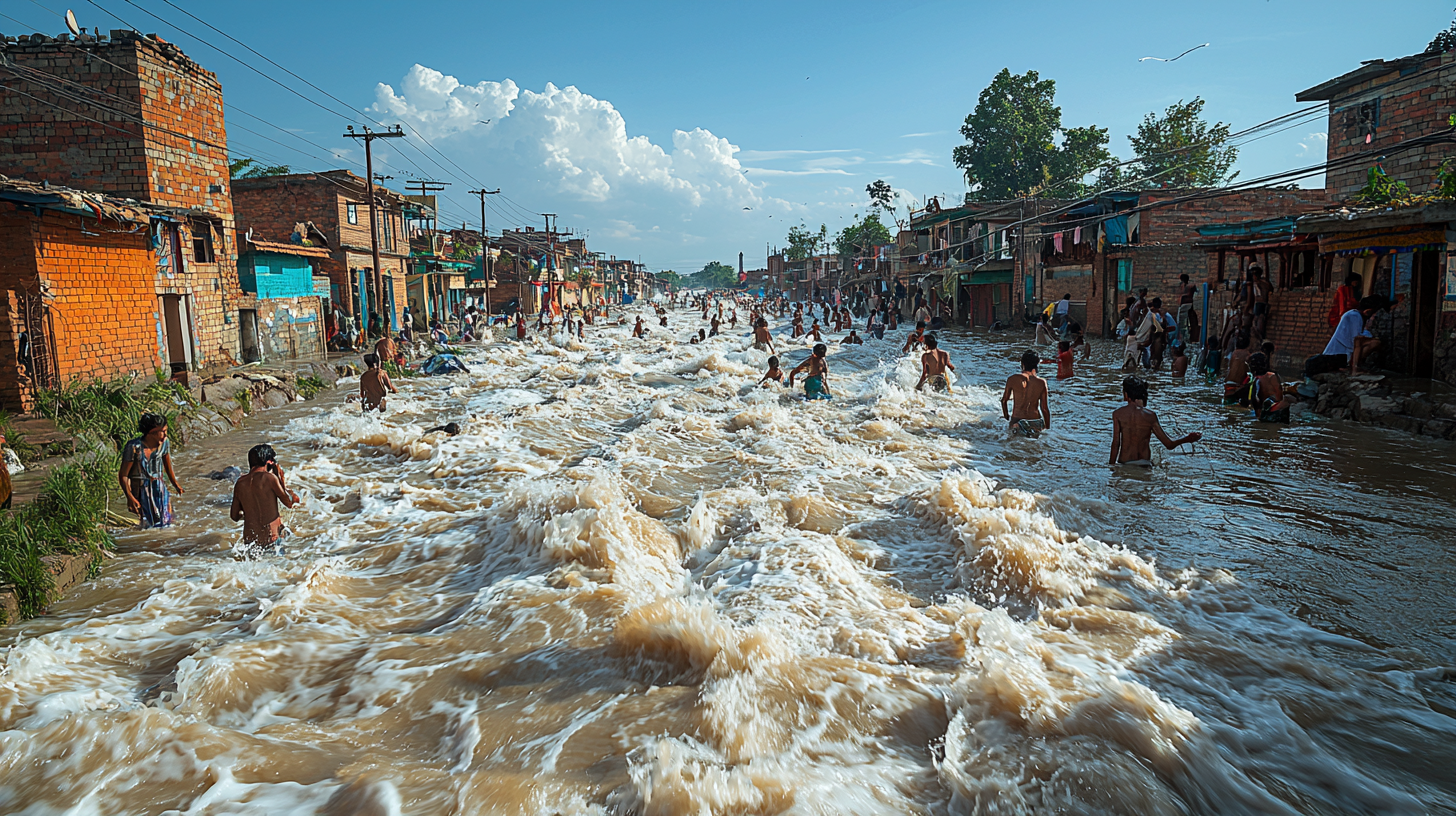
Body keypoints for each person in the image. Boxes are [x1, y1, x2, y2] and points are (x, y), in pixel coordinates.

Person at [1109, 377, 1202, 467]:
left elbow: (1116, 443)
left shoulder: (1118, 414)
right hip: (1144, 463)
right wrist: (1187, 439)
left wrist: (1111, 466)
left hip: (1125, 463)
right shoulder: (1150, 416)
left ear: (1126, 395)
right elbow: (1168, 444)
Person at [119, 412, 183, 528]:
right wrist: (129, 497)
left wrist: (175, 484)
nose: (165, 434)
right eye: (162, 431)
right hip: (140, 490)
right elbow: (124, 475)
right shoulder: (134, 448)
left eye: (166, 430)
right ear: (151, 433)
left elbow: (168, 466)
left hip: (159, 488)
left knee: (167, 521)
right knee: (147, 523)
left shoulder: (164, 444)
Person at [230, 443, 300, 548]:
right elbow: (290, 502)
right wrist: (281, 480)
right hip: (271, 539)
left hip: (251, 542)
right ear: (269, 462)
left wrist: (250, 516)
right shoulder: (270, 478)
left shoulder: (240, 483)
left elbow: (234, 516)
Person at [1305, 295, 1389, 376]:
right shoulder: (1354, 316)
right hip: (1338, 356)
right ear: (1368, 311)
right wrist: (1368, 330)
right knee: (1374, 343)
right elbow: (1356, 340)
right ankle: (1354, 367)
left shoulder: (1356, 316)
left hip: (1344, 355)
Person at [1001, 350, 1051, 437]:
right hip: (1035, 422)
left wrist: (1007, 418)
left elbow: (1004, 401)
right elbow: (1044, 409)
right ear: (1036, 364)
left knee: (1014, 447)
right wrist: (1047, 428)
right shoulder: (1041, 382)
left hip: (1017, 420)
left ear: (1022, 364)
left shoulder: (1012, 379)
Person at [1248, 352, 1290, 423]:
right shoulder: (1271, 376)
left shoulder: (1253, 380)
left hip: (1261, 411)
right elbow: (1279, 396)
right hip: (1273, 409)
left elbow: (1253, 399)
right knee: (1288, 400)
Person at [1224, 335, 1253, 406]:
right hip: (1238, 386)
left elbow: (1230, 367)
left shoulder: (1234, 353)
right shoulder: (1248, 355)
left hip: (1228, 383)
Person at [1177, 273, 1197, 337]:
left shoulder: (1189, 286)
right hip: (1185, 305)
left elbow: (1188, 294)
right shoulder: (1185, 286)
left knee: (1184, 323)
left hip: (1186, 305)